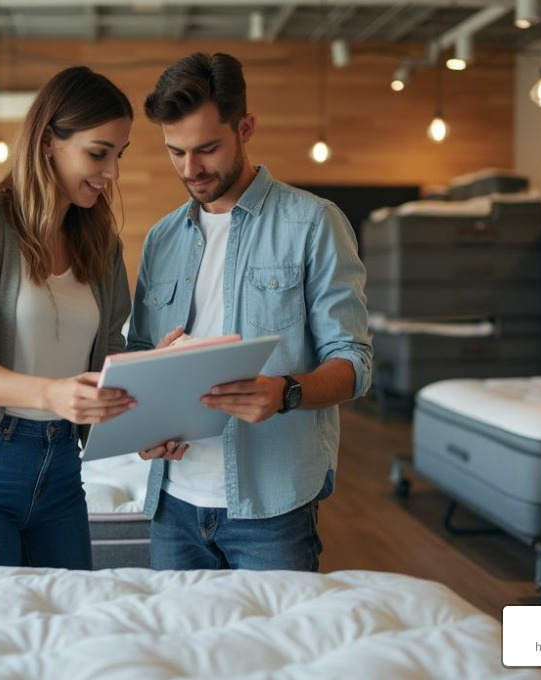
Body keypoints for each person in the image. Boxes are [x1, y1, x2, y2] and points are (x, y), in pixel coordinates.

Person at [128, 52, 373, 572]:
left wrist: (285, 392)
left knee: (278, 652)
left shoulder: (314, 223)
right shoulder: (161, 239)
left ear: (246, 127)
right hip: (173, 506)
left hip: (272, 508)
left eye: (207, 149)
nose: (190, 169)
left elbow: (355, 363)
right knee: (179, 653)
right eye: (175, 152)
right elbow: (140, 356)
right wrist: (143, 424)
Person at [0, 66, 135, 570]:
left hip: (60, 472)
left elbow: (110, 356)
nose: (113, 173)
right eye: (98, 153)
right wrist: (50, 393)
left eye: (119, 156)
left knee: (62, 638)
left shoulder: (101, 246)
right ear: (46, 142)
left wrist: (157, 369)